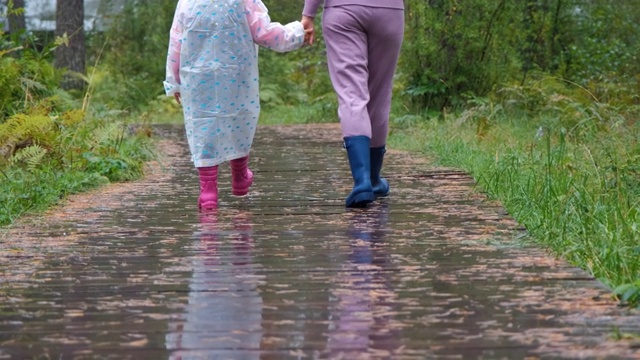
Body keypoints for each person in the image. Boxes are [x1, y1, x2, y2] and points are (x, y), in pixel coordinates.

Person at [164, 0, 306, 210]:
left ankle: (208, 192)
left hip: (198, 77)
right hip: (235, 70)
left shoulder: (187, 2)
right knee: (240, 118)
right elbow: (263, 32)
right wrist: (298, 31)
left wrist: (174, 81)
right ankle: (239, 177)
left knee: (203, 126)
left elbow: (176, 41)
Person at [301, 1, 405, 208]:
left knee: (352, 95)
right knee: (379, 95)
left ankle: (362, 182)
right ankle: (374, 179)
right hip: (389, 11)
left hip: (343, 11)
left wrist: (308, 14)